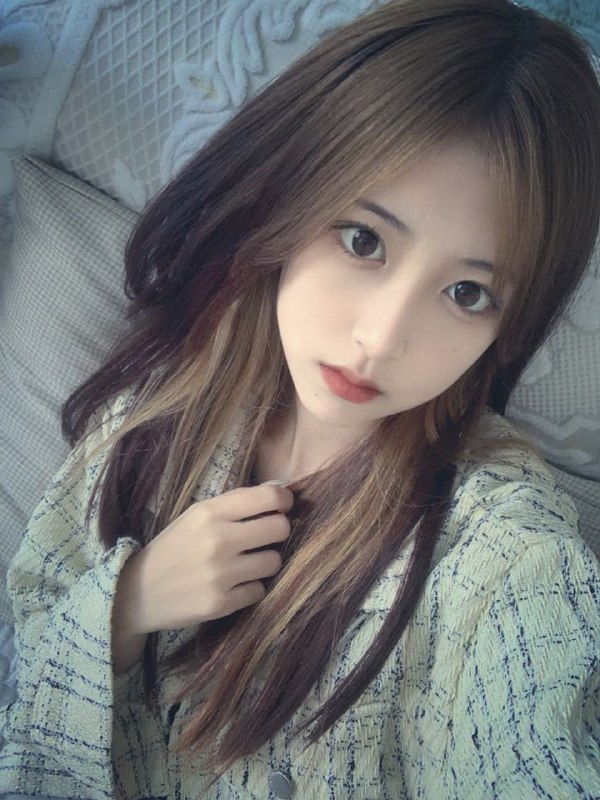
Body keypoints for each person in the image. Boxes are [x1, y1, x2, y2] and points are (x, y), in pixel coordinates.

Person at [1, 0, 599, 797]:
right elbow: (26, 671)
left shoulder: (506, 554)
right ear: (289, 199)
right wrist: (126, 603)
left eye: (466, 293)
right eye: (363, 241)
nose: (380, 339)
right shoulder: (155, 407)